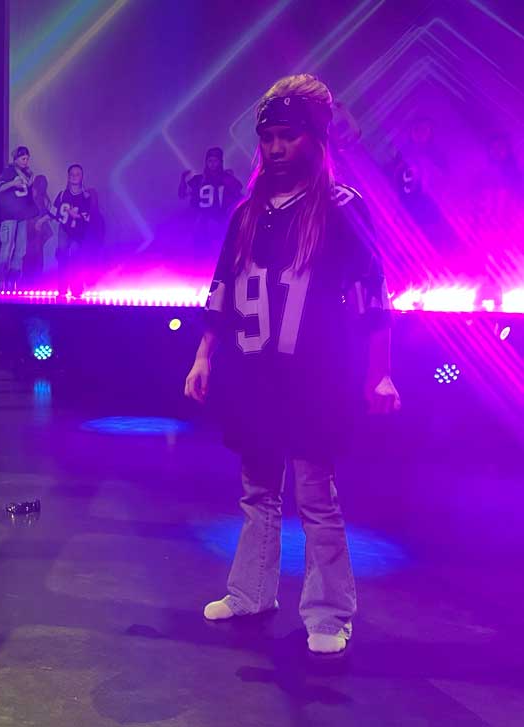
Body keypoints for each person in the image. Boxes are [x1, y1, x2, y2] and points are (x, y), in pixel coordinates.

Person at [183, 74, 401, 655]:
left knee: (315, 497)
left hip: (314, 381)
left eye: (288, 136)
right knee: (257, 491)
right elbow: (222, 290)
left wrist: (380, 370)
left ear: (314, 139)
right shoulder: (247, 212)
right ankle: (251, 592)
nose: (276, 148)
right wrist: (203, 357)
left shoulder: (340, 208)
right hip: (254, 377)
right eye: (268, 137)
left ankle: (329, 613)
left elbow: (373, 296)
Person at [45, 164, 99, 296]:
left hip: (78, 232)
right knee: (62, 257)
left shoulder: (86, 196)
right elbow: (54, 211)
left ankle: (76, 288)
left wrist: (77, 215)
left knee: (76, 258)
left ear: (82, 177)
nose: (74, 177)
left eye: (77, 174)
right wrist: (42, 220)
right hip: (64, 231)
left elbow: (88, 216)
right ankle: (62, 288)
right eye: (72, 174)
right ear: (68, 177)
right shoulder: (62, 195)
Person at [179, 147, 243, 254]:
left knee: (220, 250)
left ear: (220, 162)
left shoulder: (227, 178)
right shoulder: (199, 180)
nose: (212, 164)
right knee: (200, 250)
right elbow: (182, 195)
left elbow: (238, 195)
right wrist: (182, 180)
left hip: (221, 220)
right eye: (209, 161)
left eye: (215, 161)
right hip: (202, 221)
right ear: (206, 162)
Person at [0, 146, 39, 289]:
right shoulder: (9, 171)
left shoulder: (28, 174)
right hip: (9, 216)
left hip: (22, 216)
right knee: (7, 246)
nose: (26, 161)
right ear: (16, 159)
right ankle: (1, 279)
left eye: (27, 159)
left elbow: (28, 197)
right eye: (23, 158)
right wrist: (13, 183)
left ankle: (14, 279)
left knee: (21, 248)